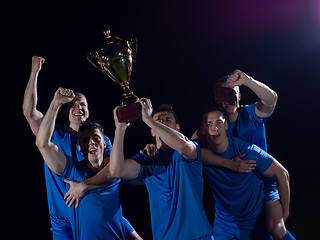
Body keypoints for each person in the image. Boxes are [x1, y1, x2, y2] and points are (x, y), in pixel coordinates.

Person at [23, 56, 139, 240]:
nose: (79, 108)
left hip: (98, 206)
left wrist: (84, 186)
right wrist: (35, 71)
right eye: (73, 105)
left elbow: (113, 171)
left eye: (83, 104)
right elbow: (30, 113)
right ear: (64, 111)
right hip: (64, 218)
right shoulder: (53, 133)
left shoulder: (102, 140)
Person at [193, 69, 294, 240]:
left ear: (239, 96)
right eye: (222, 93)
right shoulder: (212, 128)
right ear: (216, 98)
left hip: (263, 185)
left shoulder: (250, 115)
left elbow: (271, 99)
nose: (228, 97)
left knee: (276, 229)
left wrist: (248, 80)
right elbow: (189, 150)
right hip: (234, 194)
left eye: (233, 92)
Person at [109, 98, 214, 240]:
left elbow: (183, 146)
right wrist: (120, 129)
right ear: (152, 132)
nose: (163, 122)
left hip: (198, 236)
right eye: (158, 121)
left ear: (177, 127)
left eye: (168, 120)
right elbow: (116, 171)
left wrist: (150, 120)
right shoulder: (147, 159)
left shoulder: (189, 148)